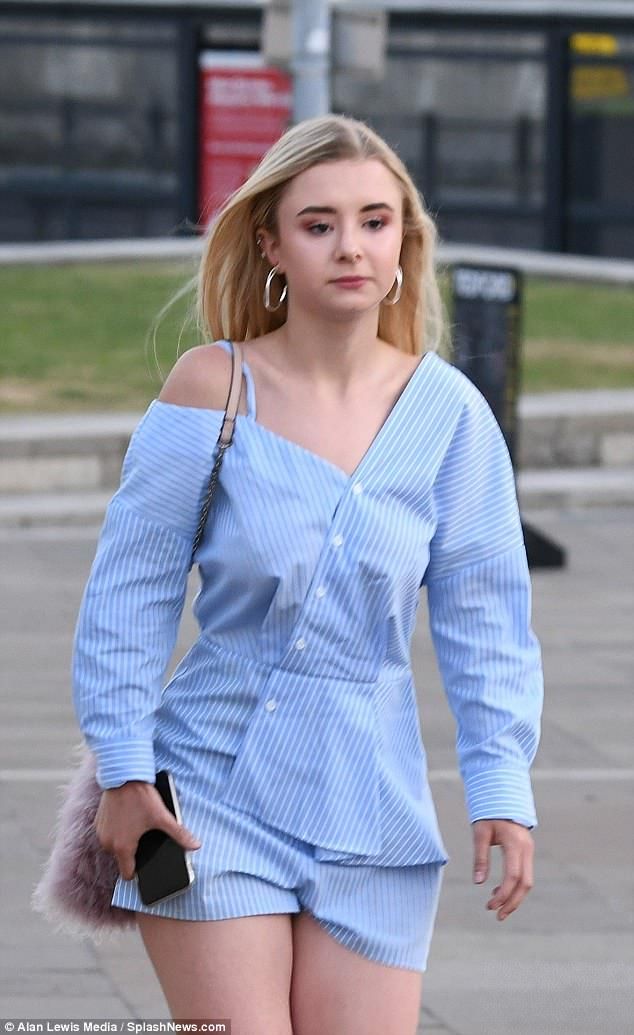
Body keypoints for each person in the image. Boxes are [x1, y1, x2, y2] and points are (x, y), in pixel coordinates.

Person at [73, 114, 544, 1034]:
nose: (350, 247)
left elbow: (487, 617)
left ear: (403, 242)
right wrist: (126, 772)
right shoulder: (212, 388)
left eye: (375, 221)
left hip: (374, 802)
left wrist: (501, 787)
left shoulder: (449, 414)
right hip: (207, 795)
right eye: (319, 224)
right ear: (272, 244)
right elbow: (129, 594)